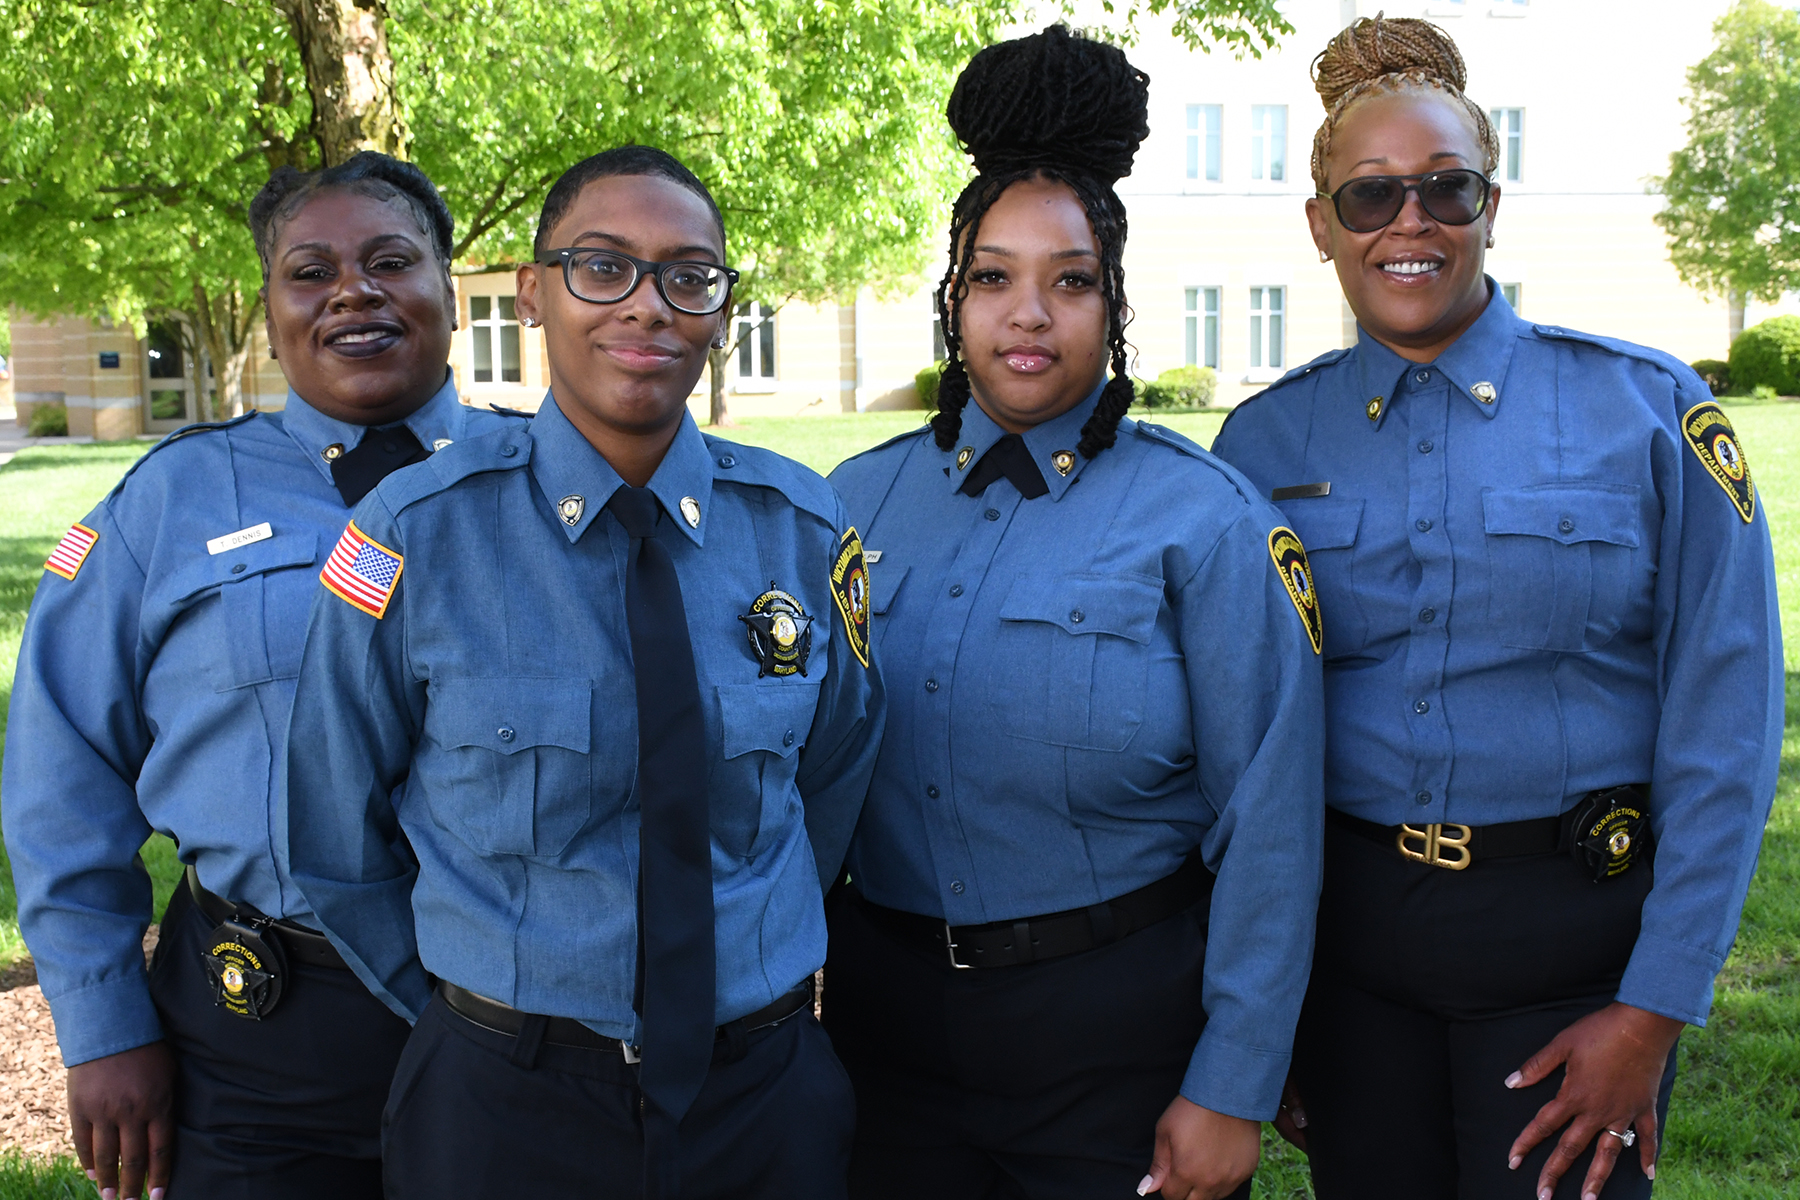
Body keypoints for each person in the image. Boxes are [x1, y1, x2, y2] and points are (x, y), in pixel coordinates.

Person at [1210, 15, 1783, 1200]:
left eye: (1443, 189)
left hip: (1577, 955)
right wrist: (1260, 1017)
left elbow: (1725, 727)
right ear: (1320, 227)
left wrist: (1654, 1010)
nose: (1408, 222)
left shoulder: (1647, 410)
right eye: (1369, 198)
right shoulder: (1263, 442)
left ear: (1489, 203)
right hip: (1354, 963)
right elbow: (1244, 746)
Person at [283, 145, 885, 1200]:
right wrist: (474, 1006)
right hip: (504, 1106)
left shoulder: (800, 529)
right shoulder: (415, 534)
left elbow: (832, 775)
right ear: (531, 295)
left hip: (761, 1097)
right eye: (603, 267)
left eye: (688, 276)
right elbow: (332, 824)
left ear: (719, 310)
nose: (648, 307)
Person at [823, 27, 1325, 1200]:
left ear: (1115, 300)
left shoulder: (1205, 519)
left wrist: (1231, 1084)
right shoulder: (849, 503)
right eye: (993, 277)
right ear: (955, 298)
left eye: (1070, 280)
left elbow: (1272, 823)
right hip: (884, 1038)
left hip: (1118, 1045)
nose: (1029, 315)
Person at [1, 152, 518, 1200]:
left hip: (528, 1024)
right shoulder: (170, 503)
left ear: (447, 291)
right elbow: (64, 772)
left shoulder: (555, 476)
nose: (352, 293)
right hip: (262, 1040)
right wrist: (101, 1028)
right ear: (273, 305)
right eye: (309, 271)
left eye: (389, 261)